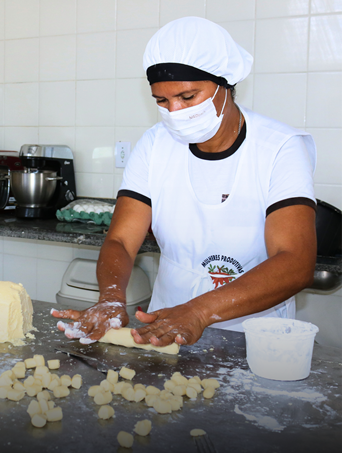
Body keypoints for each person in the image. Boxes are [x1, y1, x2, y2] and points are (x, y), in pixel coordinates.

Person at [52, 17, 317, 347]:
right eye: (162, 101)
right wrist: (111, 299)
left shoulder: (279, 147)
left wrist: (200, 312)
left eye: (188, 97)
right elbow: (120, 239)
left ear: (225, 85)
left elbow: (295, 261)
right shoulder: (154, 145)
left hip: (258, 336)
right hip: (166, 331)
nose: (174, 112)